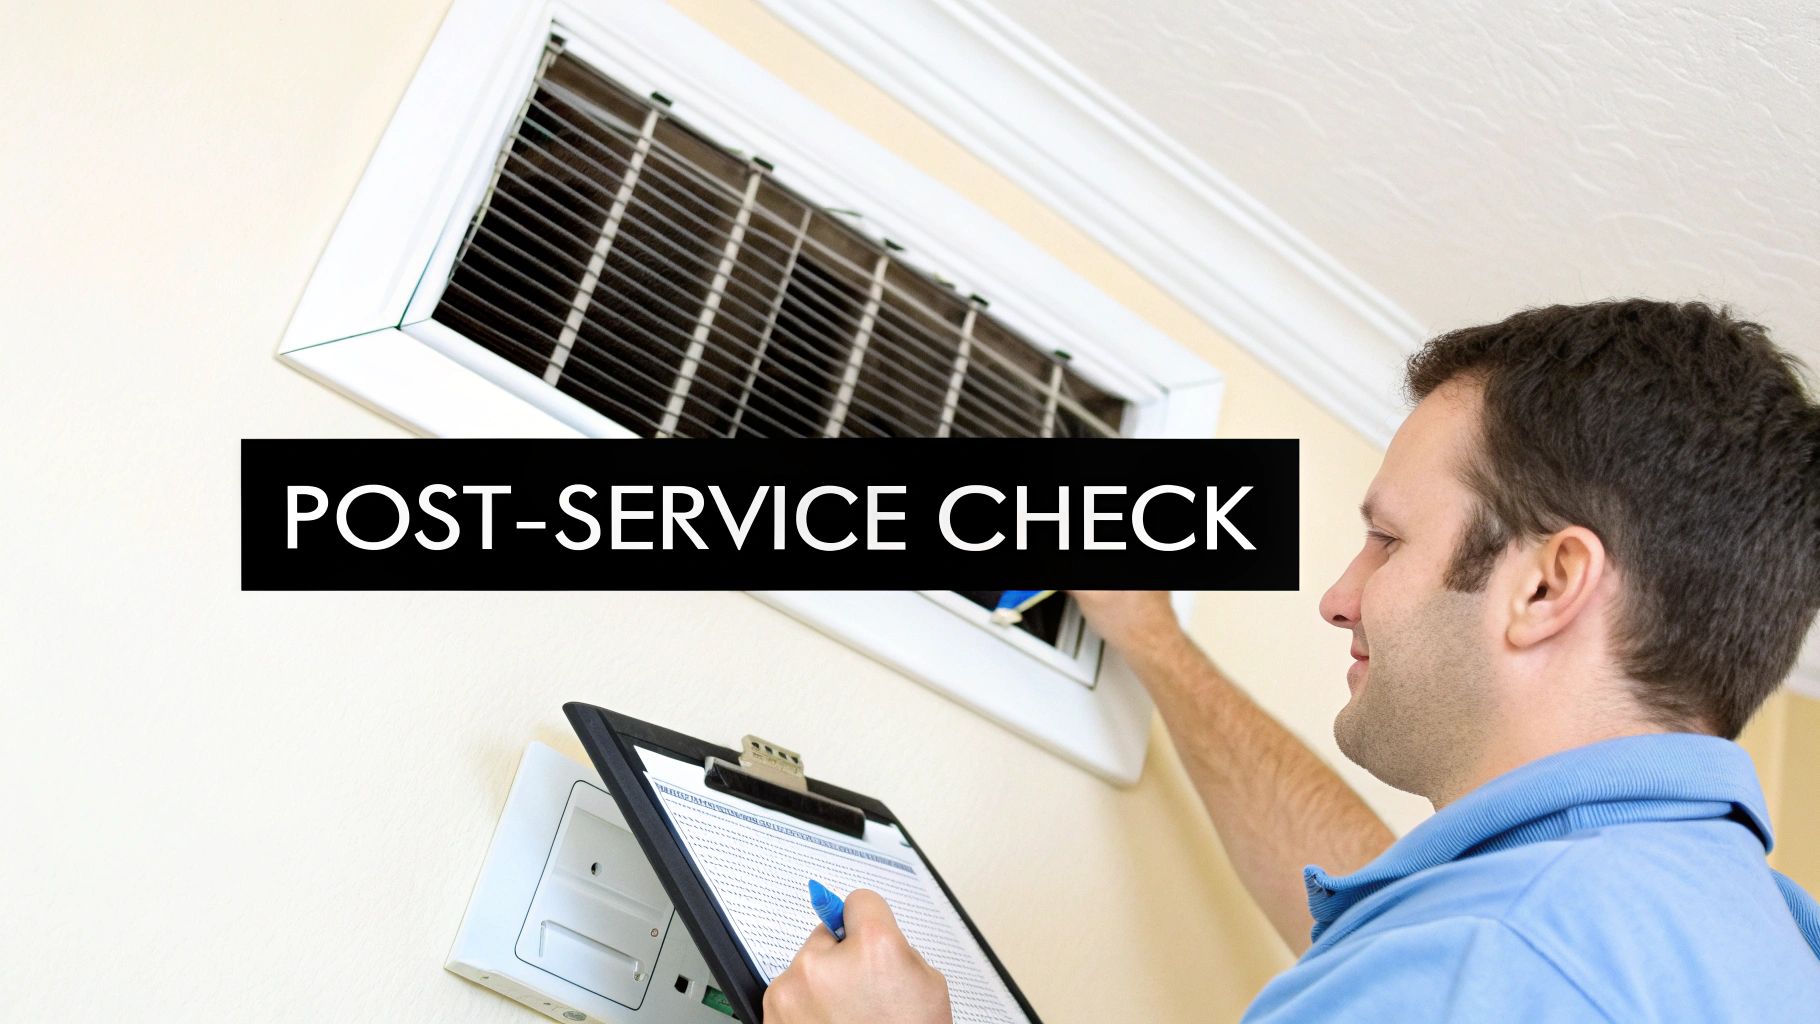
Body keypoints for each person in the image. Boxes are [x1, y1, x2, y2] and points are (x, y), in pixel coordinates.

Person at [762, 300, 1820, 1022]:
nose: (1338, 594)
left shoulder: (1489, 956)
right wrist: (1152, 641)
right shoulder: (1746, 937)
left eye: (1389, 539)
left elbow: (1466, 955)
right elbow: (1398, 920)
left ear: (1544, 585)